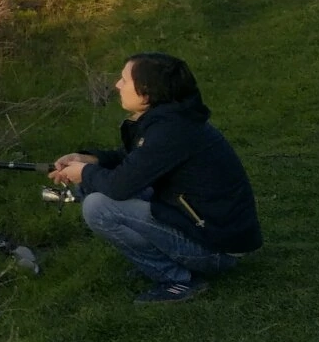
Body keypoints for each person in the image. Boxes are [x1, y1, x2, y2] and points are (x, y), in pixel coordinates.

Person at [49, 53, 262, 304]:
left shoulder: (171, 130)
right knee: (94, 187)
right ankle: (165, 262)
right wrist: (89, 160)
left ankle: (177, 280)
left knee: (98, 207)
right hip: (209, 229)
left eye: (125, 80)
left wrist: (83, 173)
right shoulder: (173, 120)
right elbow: (135, 161)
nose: (117, 85)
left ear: (147, 92)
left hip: (217, 247)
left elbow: (119, 187)